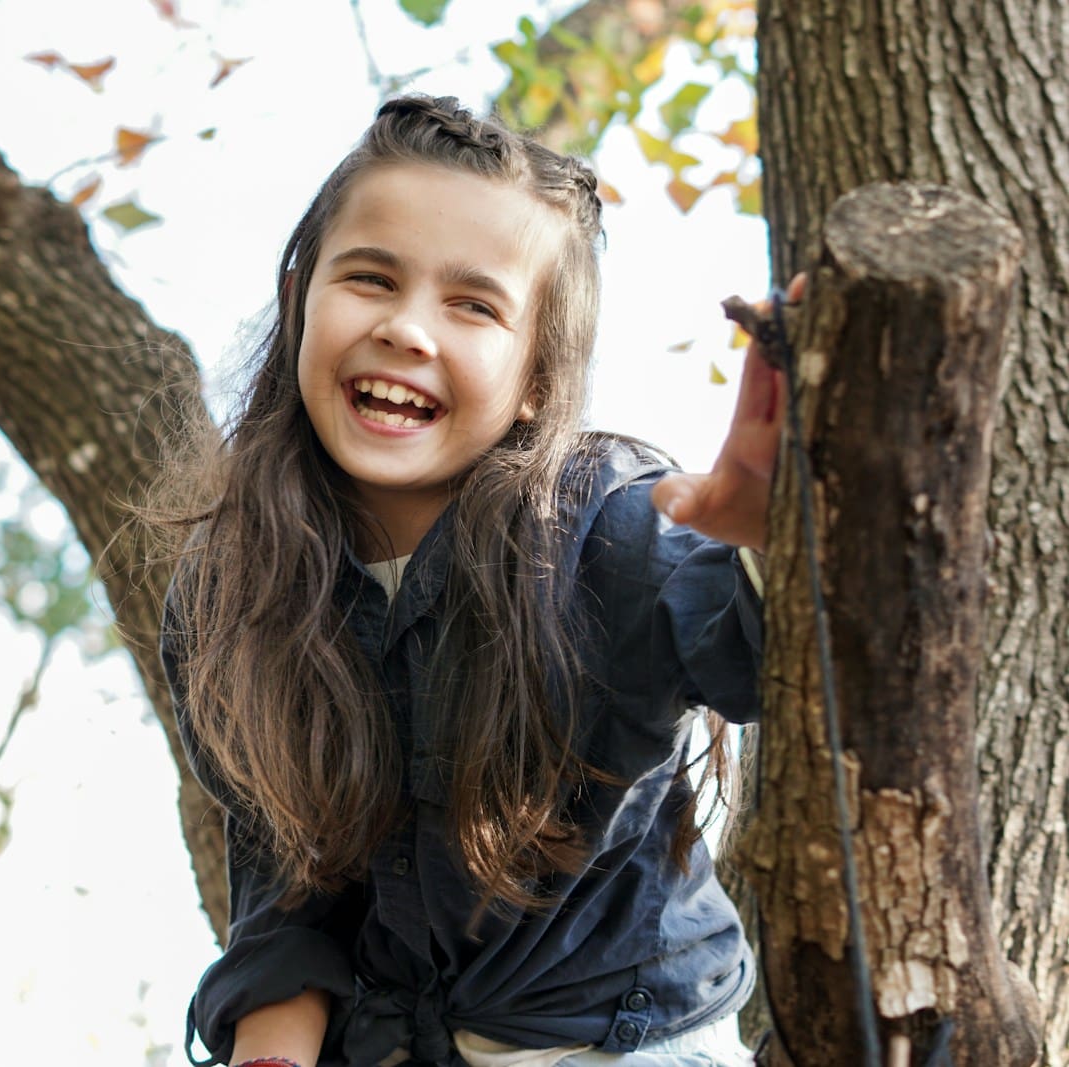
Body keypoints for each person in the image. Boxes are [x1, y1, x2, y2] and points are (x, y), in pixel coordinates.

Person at [156, 95, 789, 1067]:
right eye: (371, 279)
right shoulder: (229, 595)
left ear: (538, 374)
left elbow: (761, 658)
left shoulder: (608, 527)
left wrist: (772, 540)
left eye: (473, 304)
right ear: (298, 300)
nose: (408, 329)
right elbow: (288, 888)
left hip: (629, 1043)